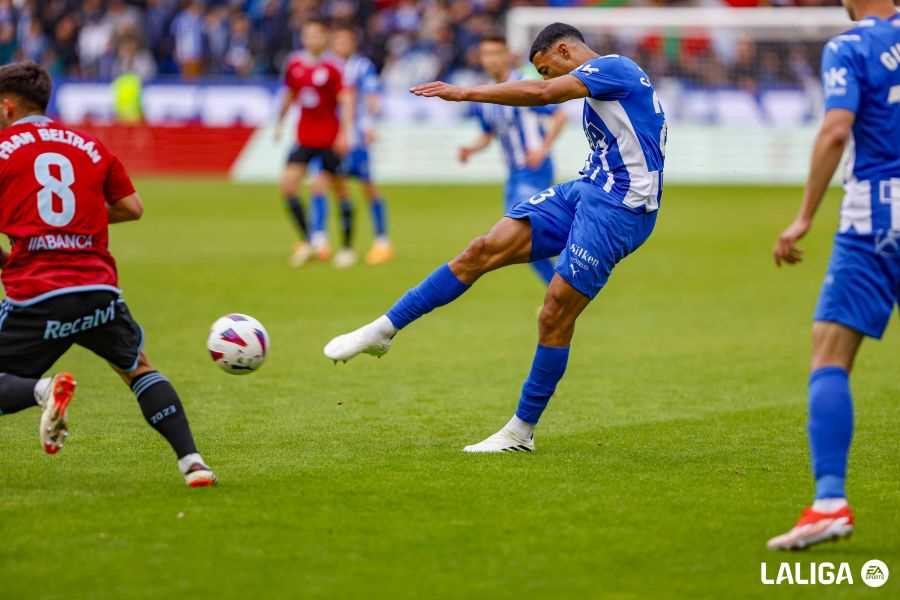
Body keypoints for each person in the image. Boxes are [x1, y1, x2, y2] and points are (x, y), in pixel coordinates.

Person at [324, 23, 667, 453]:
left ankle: (520, 432)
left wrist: (465, 92)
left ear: (564, 51)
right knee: (481, 249)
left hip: (622, 208)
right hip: (586, 188)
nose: (546, 78)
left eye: (546, 68)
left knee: (554, 313)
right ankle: (383, 329)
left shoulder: (613, 67)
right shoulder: (604, 81)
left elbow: (543, 96)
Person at [0, 62, 215, 487]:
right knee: (138, 369)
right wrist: (77, 225)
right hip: (98, 290)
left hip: (38, 293)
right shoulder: (87, 144)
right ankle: (193, 462)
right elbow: (132, 207)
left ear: (7, 107)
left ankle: (42, 392)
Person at [767, 0, 900, 551]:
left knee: (829, 354)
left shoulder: (850, 45)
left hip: (877, 218)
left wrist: (803, 217)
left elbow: (835, 131)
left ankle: (828, 503)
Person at [458, 34, 568, 285]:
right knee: (521, 244)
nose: (491, 60)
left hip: (534, 169)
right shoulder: (485, 95)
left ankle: (575, 250)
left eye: (496, 53)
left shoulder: (525, 84)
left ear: (507, 55)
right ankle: (559, 288)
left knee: (521, 233)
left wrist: (542, 148)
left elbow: (560, 116)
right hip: (514, 174)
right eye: (486, 54)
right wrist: (470, 149)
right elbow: (488, 133)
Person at [275, 18, 353, 268]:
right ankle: (309, 241)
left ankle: (346, 248)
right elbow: (289, 94)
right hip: (305, 138)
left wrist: (344, 133)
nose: (312, 40)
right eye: (308, 35)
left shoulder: (333, 68)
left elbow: (346, 100)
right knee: (288, 185)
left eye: (317, 35)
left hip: (330, 140)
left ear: (325, 38)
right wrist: (279, 122)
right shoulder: (295, 64)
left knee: (338, 190)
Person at [332, 24, 394, 267]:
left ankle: (382, 241)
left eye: (345, 40)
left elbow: (372, 97)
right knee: (328, 186)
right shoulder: (328, 66)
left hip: (355, 137)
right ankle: (322, 241)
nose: (341, 45)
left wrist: (369, 124)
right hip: (330, 137)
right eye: (338, 41)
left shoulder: (362, 66)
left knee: (367, 186)